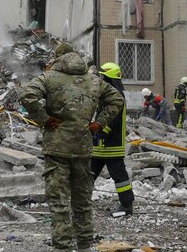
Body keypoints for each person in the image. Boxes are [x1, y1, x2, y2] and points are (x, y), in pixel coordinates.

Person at [20, 44, 124, 251]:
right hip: (83, 149)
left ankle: (64, 246)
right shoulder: (95, 80)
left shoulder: (48, 78)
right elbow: (117, 99)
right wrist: (99, 123)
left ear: (58, 59)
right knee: (83, 201)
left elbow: (27, 95)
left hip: (56, 148)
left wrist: (44, 119)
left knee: (59, 203)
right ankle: (84, 244)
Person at [91, 62, 135, 215]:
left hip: (111, 144)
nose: (100, 78)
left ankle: (127, 205)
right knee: (90, 172)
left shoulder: (115, 94)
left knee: (119, 175)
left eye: (102, 75)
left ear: (108, 77)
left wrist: (101, 133)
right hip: (102, 144)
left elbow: (113, 118)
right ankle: (80, 202)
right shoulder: (107, 92)